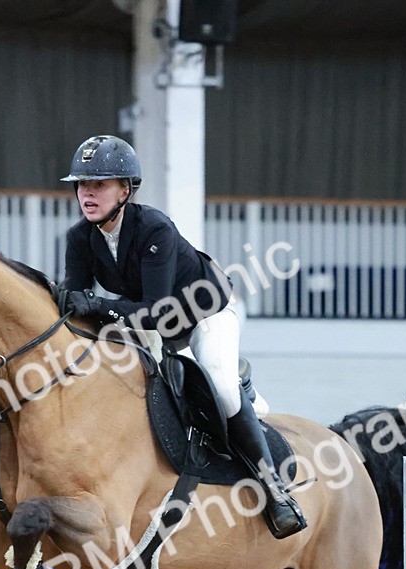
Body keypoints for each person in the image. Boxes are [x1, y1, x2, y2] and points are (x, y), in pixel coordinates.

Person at [60, 134, 306, 539]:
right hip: (153, 324)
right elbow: (77, 303)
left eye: (99, 185)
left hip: (205, 316)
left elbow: (157, 311)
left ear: (125, 190)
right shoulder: (79, 238)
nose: (88, 194)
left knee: (222, 387)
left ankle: (276, 493)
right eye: (83, 185)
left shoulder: (154, 228)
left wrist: (98, 306)